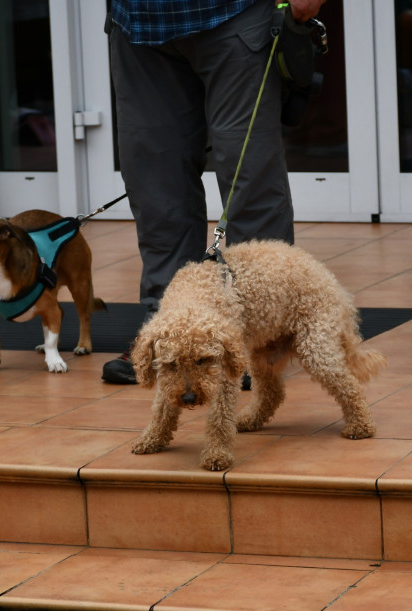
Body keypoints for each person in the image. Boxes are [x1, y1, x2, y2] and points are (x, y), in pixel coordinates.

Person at [101, 0, 328, 385]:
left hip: (234, 15)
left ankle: (262, 340)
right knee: (155, 188)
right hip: (137, 26)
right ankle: (172, 330)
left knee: (250, 179)